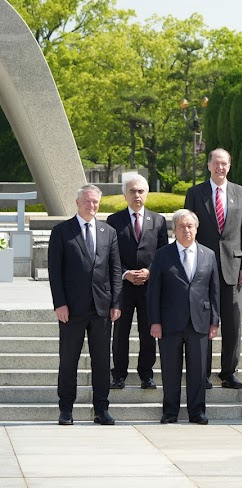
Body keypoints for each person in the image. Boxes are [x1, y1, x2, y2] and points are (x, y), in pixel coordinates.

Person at [49, 184, 122, 425]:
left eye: (95, 202)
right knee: (68, 360)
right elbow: (55, 272)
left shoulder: (108, 231)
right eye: (87, 201)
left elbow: (115, 270)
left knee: (102, 361)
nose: (92, 206)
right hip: (71, 309)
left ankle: (101, 409)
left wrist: (116, 302)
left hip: (101, 308)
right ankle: (66, 409)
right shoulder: (62, 231)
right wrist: (60, 303)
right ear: (77, 203)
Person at [184, 147, 242, 389]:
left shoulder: (241, 193)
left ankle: (228, 372)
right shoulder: (195, 193)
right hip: (203, 268)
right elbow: (187, 230)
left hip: (233, 268)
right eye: (216, 163)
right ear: (209, 165)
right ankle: (202, 373)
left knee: (232, 323)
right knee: (203, 322)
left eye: (224, 163)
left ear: (229, 166)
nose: (220, 167)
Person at [147, 209, 220, 424]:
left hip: (200, 321)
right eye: (181, 226)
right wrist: (155, 321)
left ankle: (197, 412)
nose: (186, 230)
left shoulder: (209, 254)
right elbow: (153, 292)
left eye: (190, 226)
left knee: (198, 371)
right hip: (169, 322)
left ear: (196, 229)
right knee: (170, 370)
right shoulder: (162, 255)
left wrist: (214, 321)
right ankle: (170, 412)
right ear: (174, 230)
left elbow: (214, 290)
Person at [107, 175, 169, 390]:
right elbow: (111, 255)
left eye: (141, 191)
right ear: (125, 195)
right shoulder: (114, 221)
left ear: (147, 194)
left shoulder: (158, 220)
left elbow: (163, 254)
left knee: (148, 332)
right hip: (123, 287)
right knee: (120, 333)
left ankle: (146, 374)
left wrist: (150, 272)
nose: (137, 195)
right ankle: (118, 374)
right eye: (132, 191)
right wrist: (125, 273)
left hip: (149, 287)